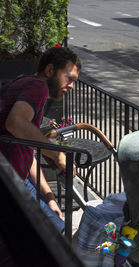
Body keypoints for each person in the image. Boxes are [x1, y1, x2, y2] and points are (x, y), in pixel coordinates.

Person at [0, 47, 81, 232]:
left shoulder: (26, 83)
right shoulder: (38, 87)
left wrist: (49, 196)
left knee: (57, 227)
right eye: (69, 79)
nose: (71, 86)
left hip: (18, 179)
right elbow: (15, 122)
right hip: (9, 184)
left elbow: (29, 153)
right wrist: (58, 155)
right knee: (55, 236)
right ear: (50, 70)